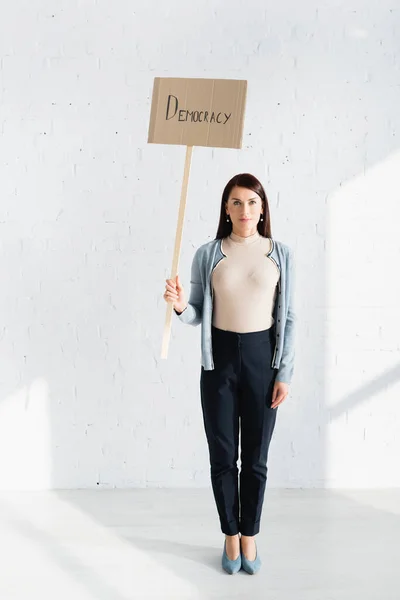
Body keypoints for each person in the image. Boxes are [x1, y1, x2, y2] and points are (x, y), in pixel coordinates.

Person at [163, 173, 296, 575]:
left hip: (262, 361)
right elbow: (200, 313)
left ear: (262, 208)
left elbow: (288, 318)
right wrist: (182, 305)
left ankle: (250, 533)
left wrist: (284, 373)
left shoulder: (281, 254)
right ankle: (230, 533)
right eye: (236, 203)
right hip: (218, 361)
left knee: (255, 458)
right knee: (223, 456)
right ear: (226, 208)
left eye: (252, 202)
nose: (244, 210)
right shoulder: (208, 254)